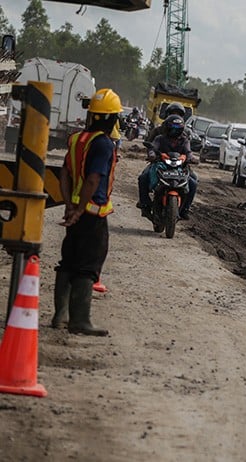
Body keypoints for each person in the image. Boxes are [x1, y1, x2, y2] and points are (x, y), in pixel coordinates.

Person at [51, 88, 122, 336]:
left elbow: (64, 174)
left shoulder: (76, 139)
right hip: (92, 215)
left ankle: (60, 316)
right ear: (111, 118)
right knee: (88, 264)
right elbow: (93, 179)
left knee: (68, 261)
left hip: (77, 213)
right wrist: (81, 209)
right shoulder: (103, 144)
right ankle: (79, 320)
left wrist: (70, 205)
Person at [137, 114, 197, 219]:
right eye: (173, 128)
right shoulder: (160, 138)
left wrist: (190, 158)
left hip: (180, 167)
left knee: (193, 183)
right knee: (143, 177)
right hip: (160, 165)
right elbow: (152, 148)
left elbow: (189, 152)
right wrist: (152, 155)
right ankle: (145, 204)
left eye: (178, 129)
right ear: (167, 127)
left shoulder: (184, 140)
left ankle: (185, 209)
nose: (175, 131)